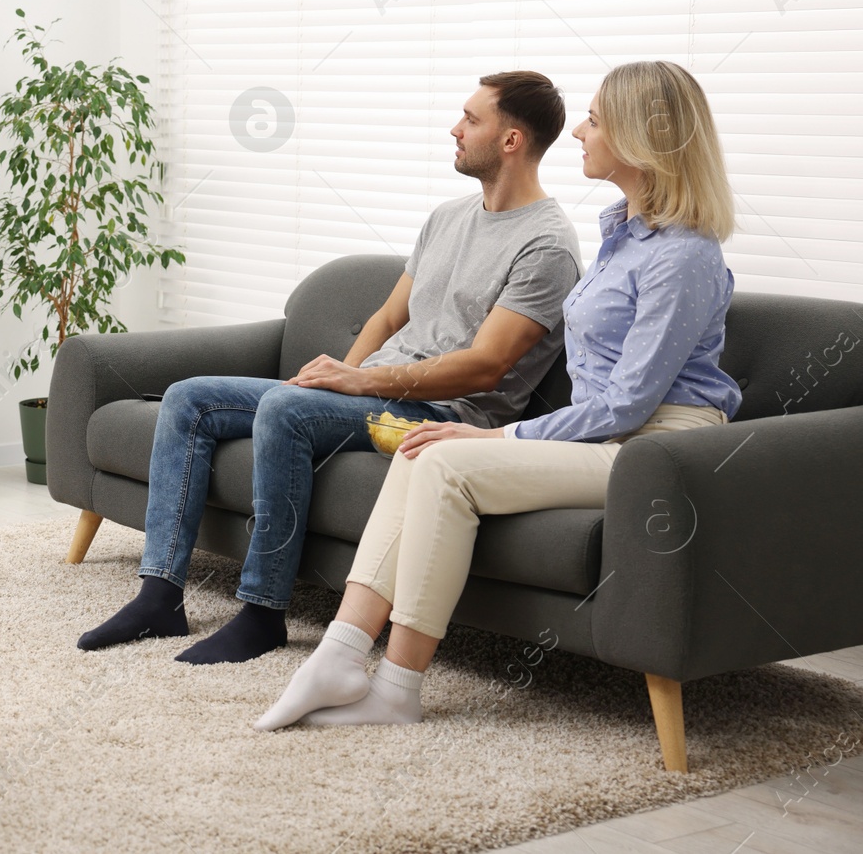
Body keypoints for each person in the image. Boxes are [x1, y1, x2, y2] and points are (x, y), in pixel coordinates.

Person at [255, 60, 741, 730]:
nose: (578, 131)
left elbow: (629, 403)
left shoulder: (685, 255)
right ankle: (342, 652)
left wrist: (493, 434)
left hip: (659, 450)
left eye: (595, 120)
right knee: (421, 450)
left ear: (640, 137)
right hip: (606, 438)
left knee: (447, 460)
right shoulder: (622, 240)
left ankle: (396, 686)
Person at [78, 71, 583, 664]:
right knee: (190, 398)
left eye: (471, 119)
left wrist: (358, 383)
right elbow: (388, 318)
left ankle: (263, 612)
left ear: (511, 140)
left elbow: (485, 367)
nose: (456, 127)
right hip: (375, 394)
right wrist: (335, 377)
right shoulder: (448, 217)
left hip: (439, 414)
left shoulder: (547, 246)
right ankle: (160, 595)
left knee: (287, 411)